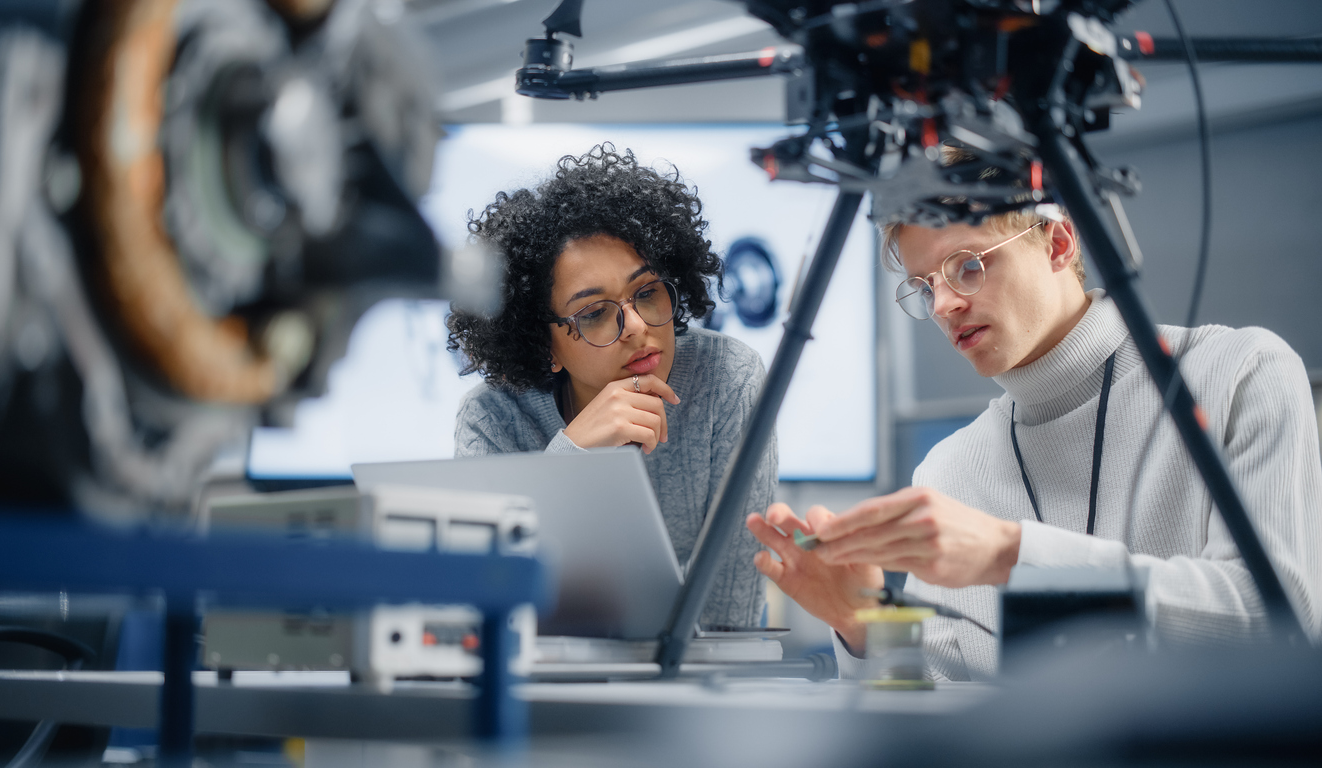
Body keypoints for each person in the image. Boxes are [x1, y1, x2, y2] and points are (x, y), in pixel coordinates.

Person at [747, 178, 1322, 680]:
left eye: (967, 266)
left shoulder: (1240, 373)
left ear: (1059, 243)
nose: (944, 304)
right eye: (925, 286)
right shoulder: (949, 470)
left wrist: (1011, 554)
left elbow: (1278, 621)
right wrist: (864, 627)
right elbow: (944, 708)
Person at [449, 144, 775, 630]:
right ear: (547, 347)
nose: (637, 327)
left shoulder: (727, 379)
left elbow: (731, 619)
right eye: (595, 314)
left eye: (647, 292)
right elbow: (478, 611)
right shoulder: (493, 418)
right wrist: (573, 453)